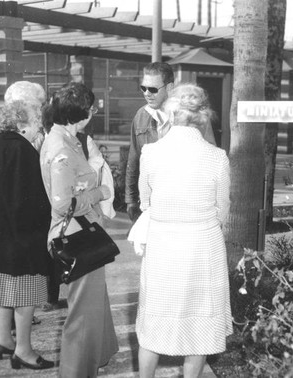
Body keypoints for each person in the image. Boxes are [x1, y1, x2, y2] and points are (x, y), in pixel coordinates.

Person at [135, 84, 232, 378]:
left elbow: (145, 202)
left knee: (153, 322)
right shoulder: (217, 157)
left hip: (163, 246)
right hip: (204, 247)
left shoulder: (150, 152)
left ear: (170, 113)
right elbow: (223, 209)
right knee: (200, 327)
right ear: (202, 116)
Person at [40, 82, 119, 377]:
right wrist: (100, 193)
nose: (93, 112)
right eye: (91, 108)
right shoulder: (61, 146)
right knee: (82, 315)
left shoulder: (67, 139)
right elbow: (63, 204)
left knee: (92, 304)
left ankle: (93, 361)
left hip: (81, 231)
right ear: (81, 113)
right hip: (75, 235)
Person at [0, 101, 54, 370]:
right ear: (21, 124)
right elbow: (30, 201)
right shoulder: (23, 151)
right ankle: (24, 350)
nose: (40, 123)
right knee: (26, 295)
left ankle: (3, 340)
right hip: (23, 238)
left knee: (3, 290)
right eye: (36, 119)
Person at [125, 62, 216, 222]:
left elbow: (211, 162)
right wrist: (131, 200)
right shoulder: (141, 116)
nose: (147, 93)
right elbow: (133, 161)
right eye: (143, 88)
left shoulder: (193, 117)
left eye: (153, 89)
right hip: (152, 206)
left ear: (169, 87)